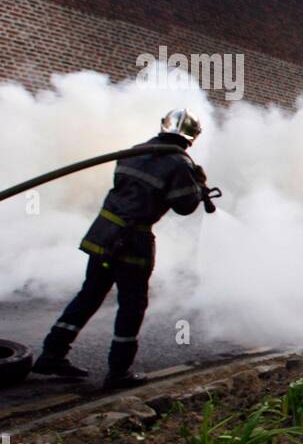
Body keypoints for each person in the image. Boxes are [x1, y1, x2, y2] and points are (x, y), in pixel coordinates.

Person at [31, 108, 208, 389]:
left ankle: (52, 353)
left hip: (103, 233)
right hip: (132, 243)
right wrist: (198, 187)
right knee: (132, 305)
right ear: (191, 137)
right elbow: (184, 207)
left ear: (163, 128)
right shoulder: (178, 163)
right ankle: (119, 372)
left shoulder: (134, 152)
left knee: (89, 294)